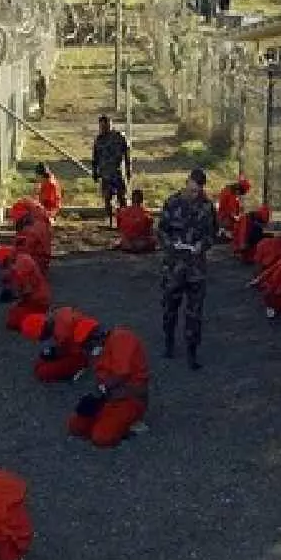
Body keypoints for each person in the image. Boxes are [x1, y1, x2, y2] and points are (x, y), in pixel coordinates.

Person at [157, 169, 217, 369]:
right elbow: (161, 230)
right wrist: (171, 245)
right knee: (169, 307)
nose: (194, 194)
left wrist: (203, 244)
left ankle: (192, 351)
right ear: (186, 183)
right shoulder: (172, 203)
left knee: (195, 313)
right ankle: (169, 342)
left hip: (196, 269)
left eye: (197, 191)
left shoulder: (207, 206)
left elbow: (212, 234)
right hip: (173, 266)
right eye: (192, 190)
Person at [68, 319, 150, 448]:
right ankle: (110, 422)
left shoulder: (122, 338)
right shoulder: (100, 347)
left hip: (129, 397)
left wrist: (102, 390)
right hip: (108, 396)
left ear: (95, 336)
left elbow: (121, 374)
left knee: (101, 438)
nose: (86, 350)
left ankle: (129, 425)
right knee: (76, 427)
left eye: (87, 345)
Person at [21, 307, 92, 383]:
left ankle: (77, 369)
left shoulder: (62, 334)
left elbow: (74, 350)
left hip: (82, 355)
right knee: (45, 357)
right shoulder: (60, 313)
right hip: (82, 346)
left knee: (42, 371)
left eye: (41, 338)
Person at [0, 246, 51, 331]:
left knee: (13, 322)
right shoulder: (20, 259)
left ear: (8, 259)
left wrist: (13, 297)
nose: (4, 268)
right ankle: (39, 317)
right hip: (38, 297)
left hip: (37, 300)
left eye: (4, 265)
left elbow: (27, 291)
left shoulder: (20, 266)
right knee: (13, 316)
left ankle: (41, 319)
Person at [90, 115, 132, 222]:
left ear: (110, 124)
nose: (104, 128)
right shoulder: (99, 140)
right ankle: (110, 221)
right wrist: (94, 172)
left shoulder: (119, 137)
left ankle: (124, 221)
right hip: (105, 175)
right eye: (101, 126)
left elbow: (127, 155)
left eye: (106, 126)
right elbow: (95, 158)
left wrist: (128, 170)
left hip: (118, 173)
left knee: (122, 198)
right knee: (107, 198)